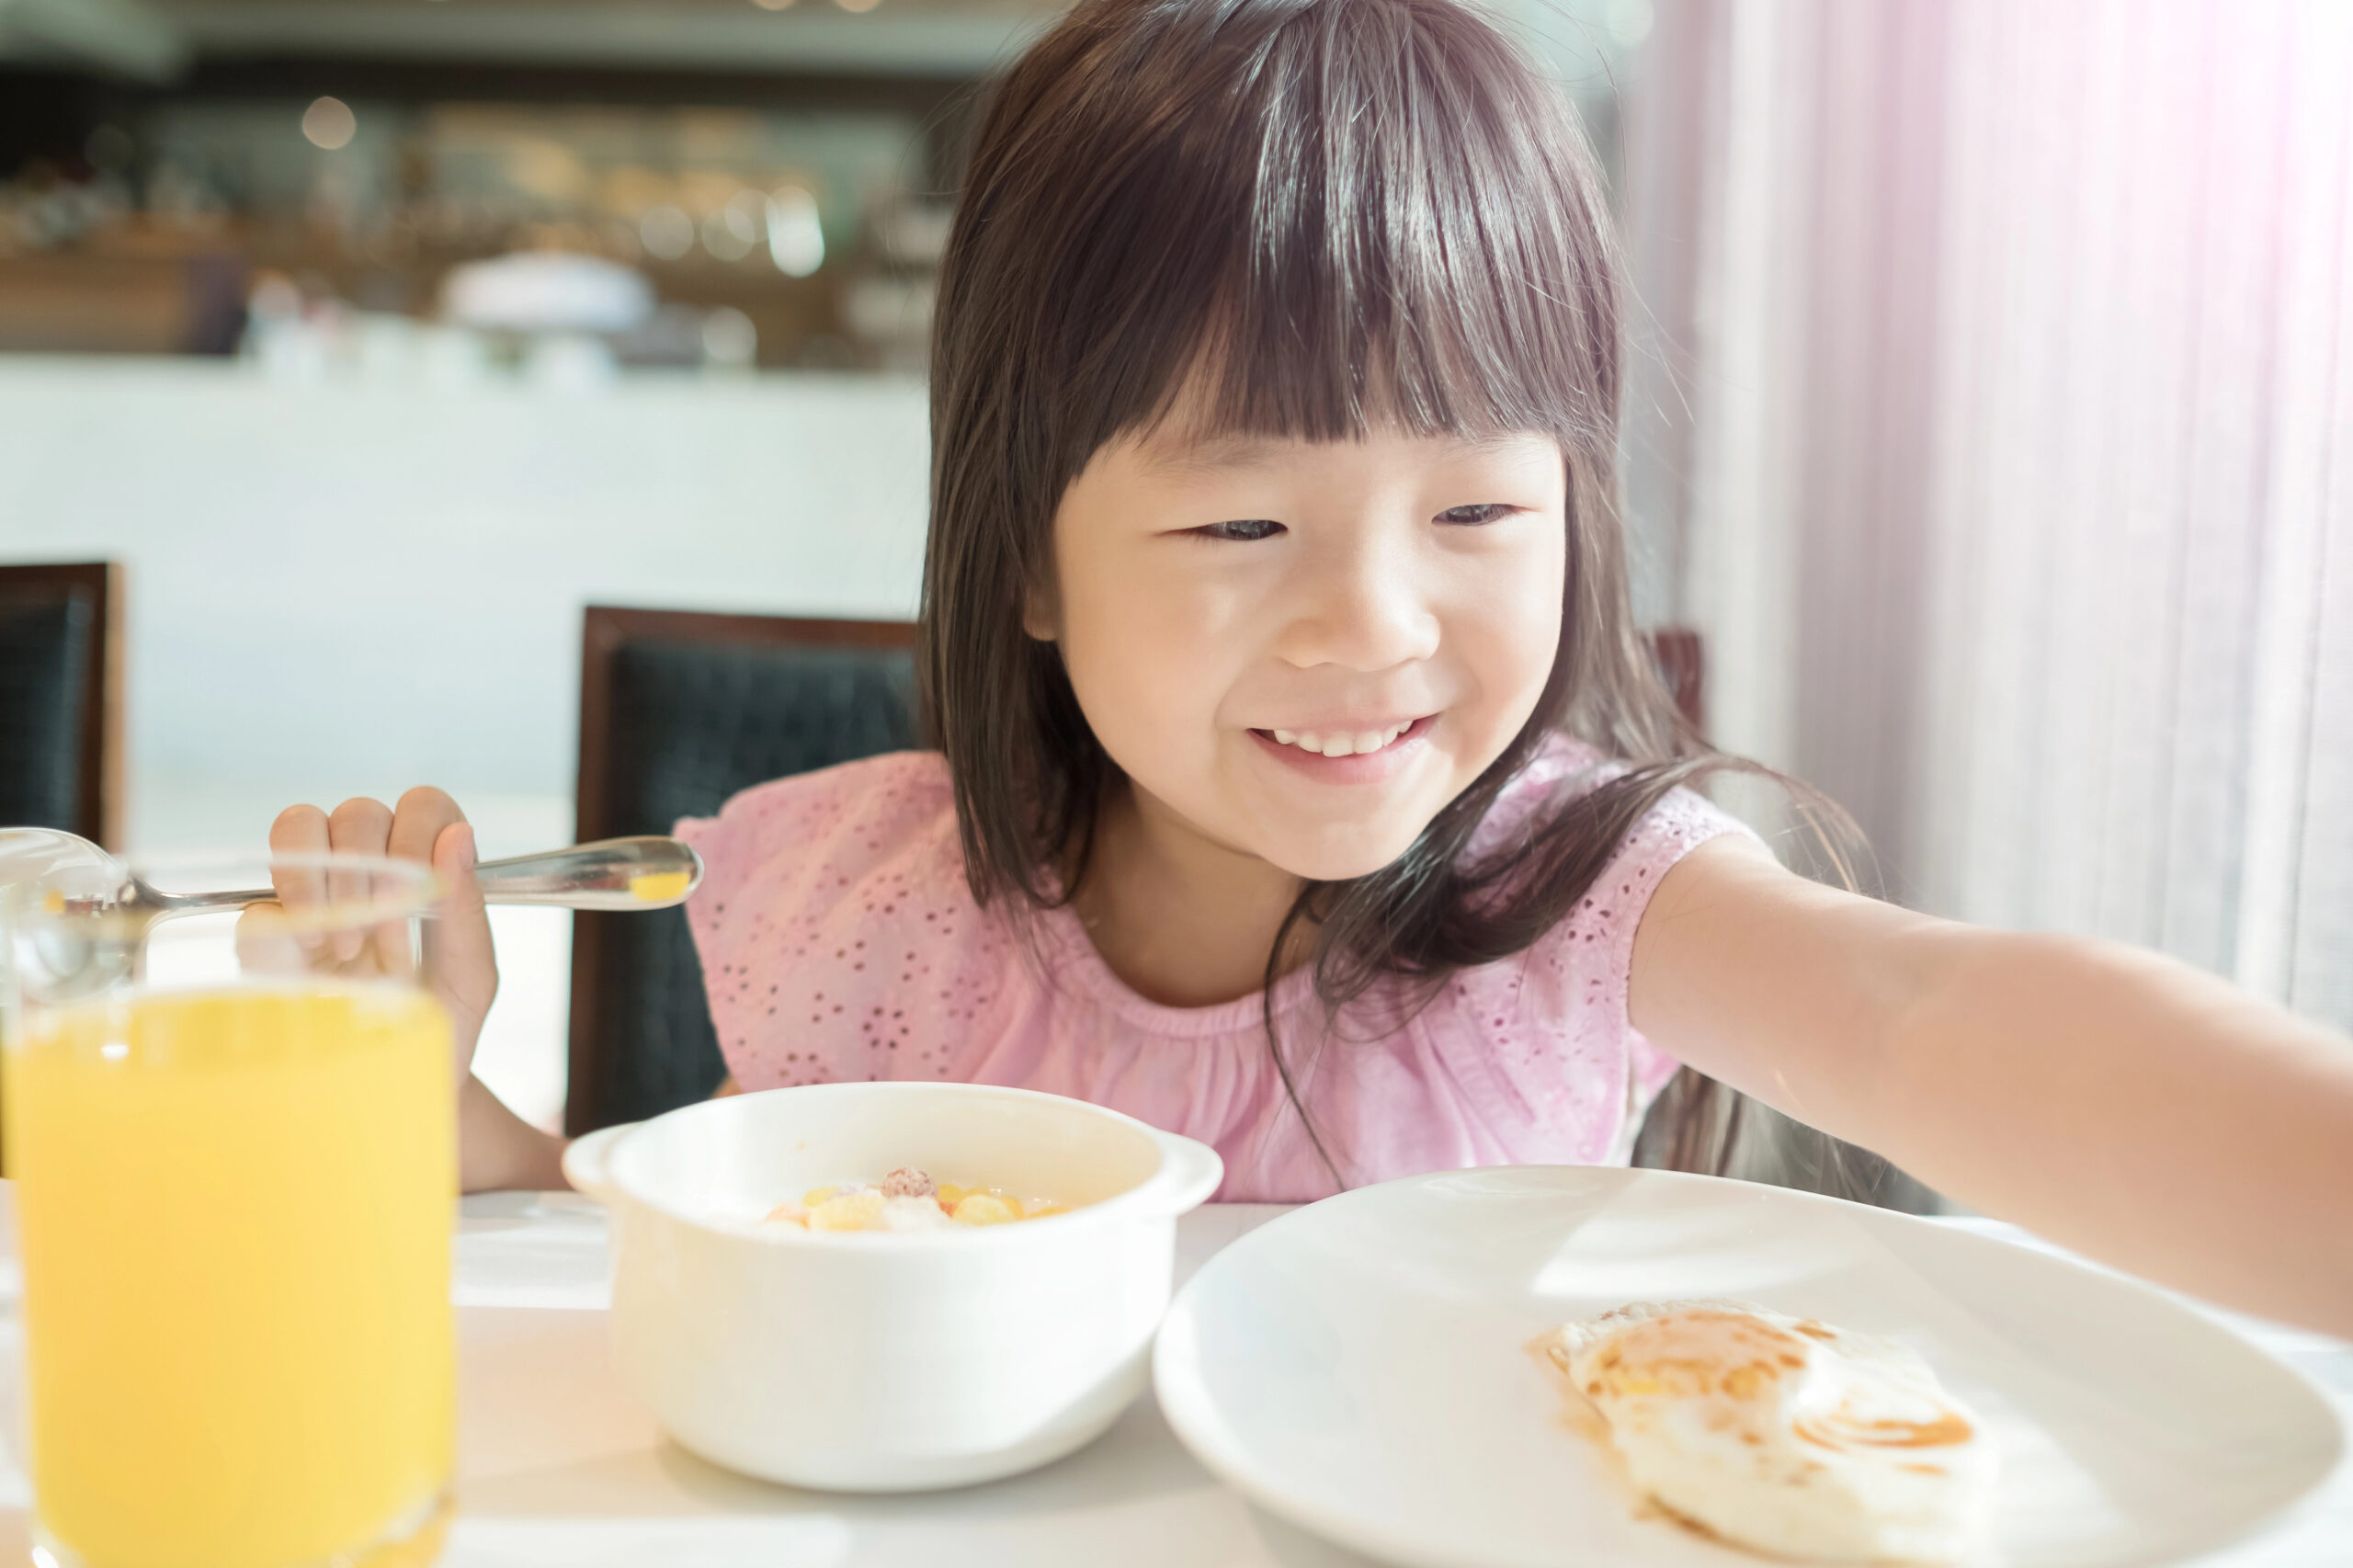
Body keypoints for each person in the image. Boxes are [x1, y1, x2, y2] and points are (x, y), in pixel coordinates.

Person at [277, 0, 2353, 1334]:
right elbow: (687, 1297)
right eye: (1239, 525)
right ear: (1024, 555)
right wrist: (421, 1100)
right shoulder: (875, 917)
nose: (1373, 627)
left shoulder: (1577, 899)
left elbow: (1917, 1017)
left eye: (1477, 509)